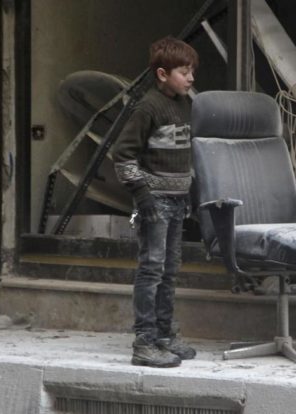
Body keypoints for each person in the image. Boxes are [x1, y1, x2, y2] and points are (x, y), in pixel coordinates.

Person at [112, 36, 198, 368]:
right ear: (162, 74)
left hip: (178, 201)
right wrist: (141, 195)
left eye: (192, 71)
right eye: (184, 71)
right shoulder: (148, 107)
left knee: (171, 271)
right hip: (155, 203)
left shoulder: (185, 103)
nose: (190, 78)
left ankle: (165, 336)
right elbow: (123, 156)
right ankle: (144, 343)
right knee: (152, 270)